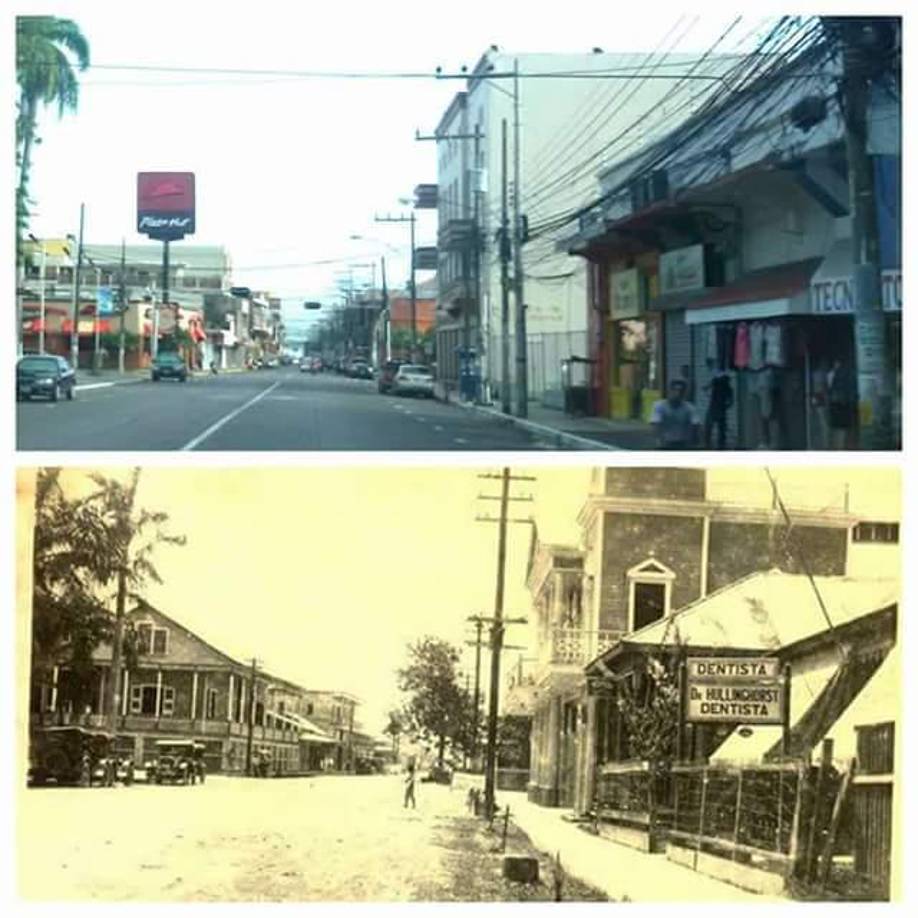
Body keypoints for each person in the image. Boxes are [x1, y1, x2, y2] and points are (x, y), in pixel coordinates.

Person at [651, 379, 701, 450]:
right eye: (675, 390)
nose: (677, 393)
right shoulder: (660, 405)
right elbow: (656, 424)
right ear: (669, 391)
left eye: (681, 391)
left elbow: (696, 425)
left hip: (683, 442)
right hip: (665, 442)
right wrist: (659, 440)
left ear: (684, 393)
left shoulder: (689, 407)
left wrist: (694, 440)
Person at [703, 370, 733, 450]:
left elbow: (730, 402)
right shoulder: (725, 387)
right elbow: (731, 402)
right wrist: (726, 406)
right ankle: (715, 445)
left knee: (714, 429)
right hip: (717, 409)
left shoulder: (723, 386)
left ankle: (715, 446)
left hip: (716, 409)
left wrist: (726, 406)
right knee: (716, 429)